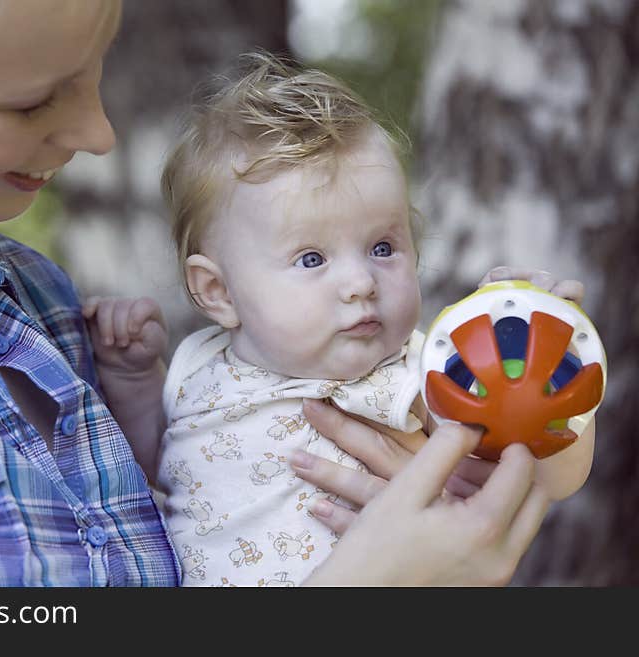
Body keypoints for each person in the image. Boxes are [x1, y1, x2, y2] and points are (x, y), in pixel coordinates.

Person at [0, 1, 551, 588]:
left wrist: (545, 375)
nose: (98, 131)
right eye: (33, 98)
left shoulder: (32, 298)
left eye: (94, 74)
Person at [83, 53, 594, 586]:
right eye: (312, 259)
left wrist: (548, 369)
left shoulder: (408, 373)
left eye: (382, 246)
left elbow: (545, 475)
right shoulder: (197, 364)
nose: (361, 282)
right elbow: (152, 461)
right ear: (218, 291)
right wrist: (135, 379)